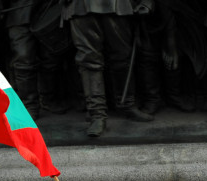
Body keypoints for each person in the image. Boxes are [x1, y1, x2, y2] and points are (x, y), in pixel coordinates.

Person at [65, 0, 154, 137]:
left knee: (122, 57)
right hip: (81, 6)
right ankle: (97, 114)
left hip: (119, 6)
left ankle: (126, 104)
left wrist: (147, 2)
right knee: (89, 61)